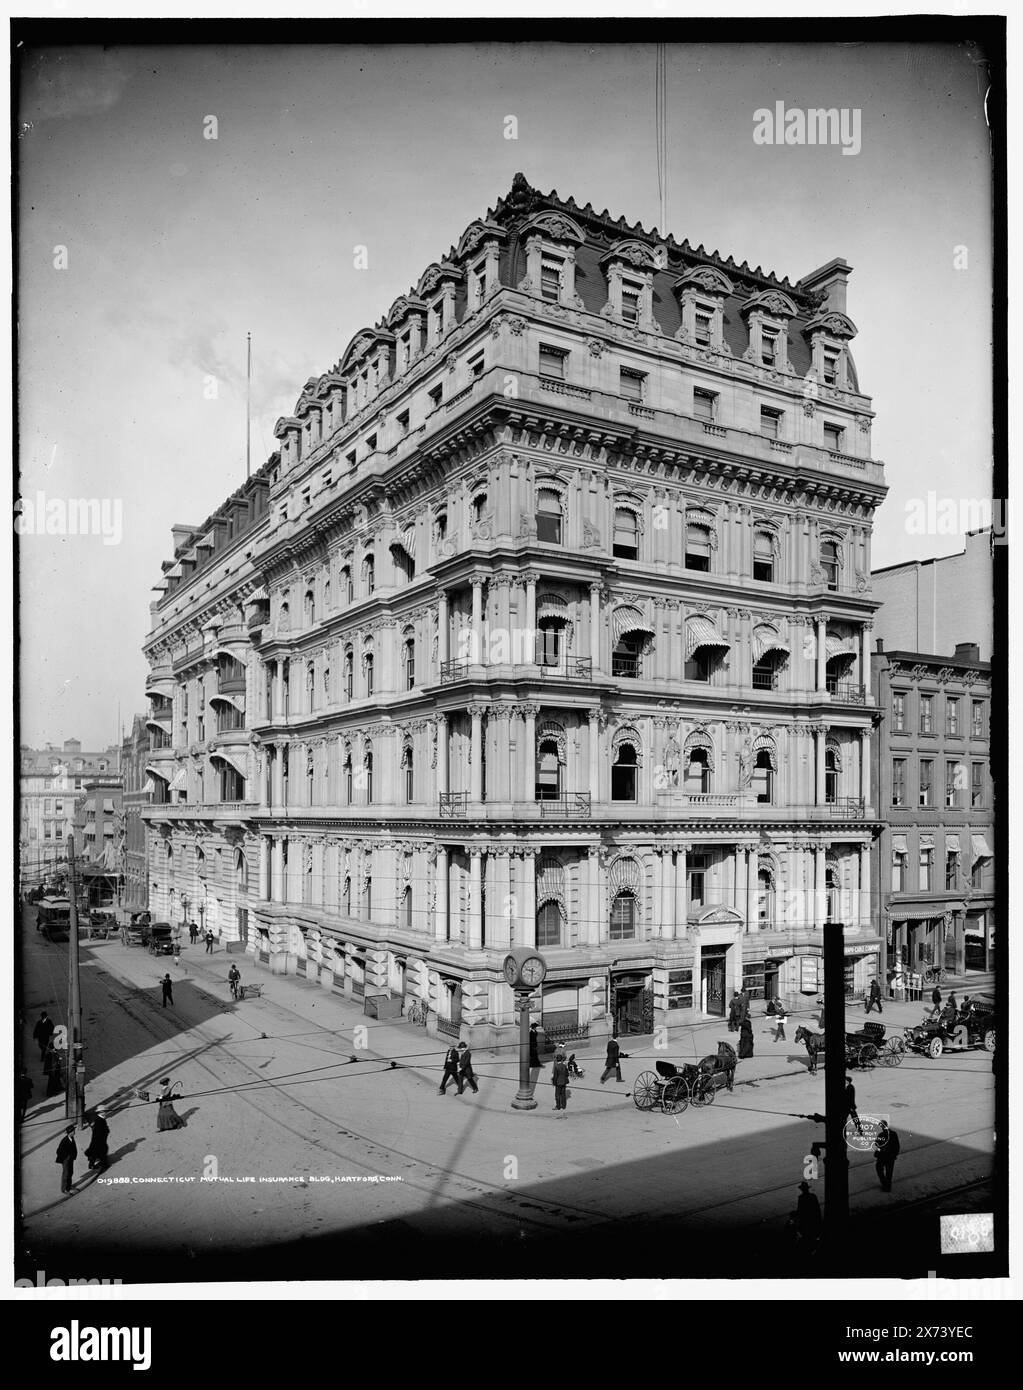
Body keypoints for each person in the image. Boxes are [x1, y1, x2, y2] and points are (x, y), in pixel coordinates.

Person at [794, 1181, 823, 1250]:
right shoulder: (812, 1196)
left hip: (804, 1222)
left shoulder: (801, 1198)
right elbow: (817, 1210)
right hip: (812, 1221)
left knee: (805, 1238)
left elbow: (799, 1211)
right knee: (812, 1238)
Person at [874, 1121, 900, 1191]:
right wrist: (894, 1155)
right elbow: (897, 1146)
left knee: (879, 1169)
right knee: (889, 1172)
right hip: (890, 1157)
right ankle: (887, 1186)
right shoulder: (893, 1134)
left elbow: (877, 1145)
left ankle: (885, 1184)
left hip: (882, 1156)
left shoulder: (881, 1135)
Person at [56, 1125, 77, 1194]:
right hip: (66, 1160)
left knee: (70, 1172)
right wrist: (66, 1158)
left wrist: (73, 1156)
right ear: (69, 1132)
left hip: (71, 1159)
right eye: (73, 1131)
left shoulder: (72, 1138)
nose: (74, 1132)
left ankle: (69, 1186)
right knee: (66, 1174)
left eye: (74, 1130)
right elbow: (58, 1151)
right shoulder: (64, 1141)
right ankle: (64, 1189)